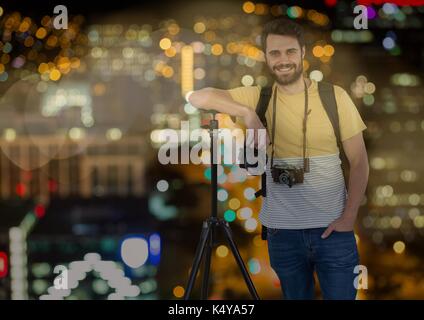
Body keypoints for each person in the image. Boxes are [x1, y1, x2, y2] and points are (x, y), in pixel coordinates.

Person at [187, 18, 369, 300]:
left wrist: (349, 217)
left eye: (289, 52)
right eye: (274, 53)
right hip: (283, 236)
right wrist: (247, 114)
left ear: (303, 53)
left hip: (333, 232)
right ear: (266, 57)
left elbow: (359, 162)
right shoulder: (258, 97)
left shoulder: (334, 97)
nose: (283, 60)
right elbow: (196, 97)